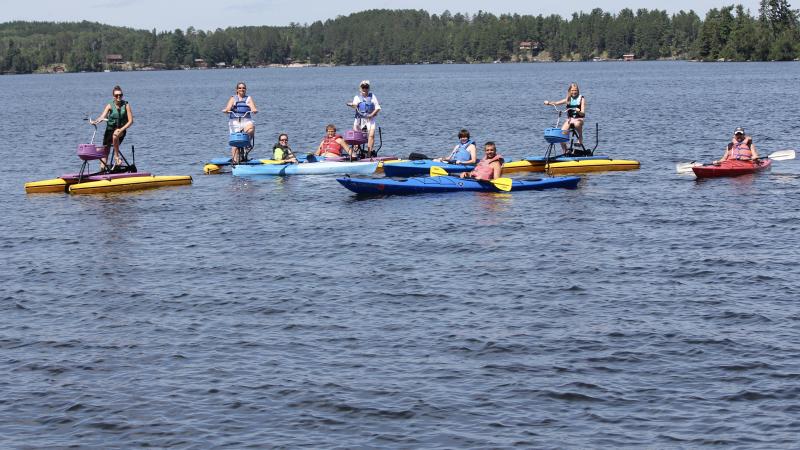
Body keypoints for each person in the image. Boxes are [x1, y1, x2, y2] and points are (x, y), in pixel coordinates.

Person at [91, 85, 133, 170]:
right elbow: (102, 117)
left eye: (120, 95)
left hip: (121, 130)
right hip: (109, 130)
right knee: (105, 151)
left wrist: (121, 129)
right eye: (116, 95)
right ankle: (102, 170)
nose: (119, 97)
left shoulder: (126, 105)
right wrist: (95, 121)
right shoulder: (110, 105)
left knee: (115, 135)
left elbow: (131, 121)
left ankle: (116, 157)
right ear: (113, 96)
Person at [544, 82, 586, 154]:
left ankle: (580, 138)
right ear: (569, 91)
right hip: (570, 120)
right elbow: (557, 103)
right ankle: (565, 150)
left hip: (579, 119)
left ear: (578, 91)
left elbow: (583, 113)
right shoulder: (568, 99)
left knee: (576, 124)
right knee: (561, 134)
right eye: (572, 90)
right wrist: (548, 103)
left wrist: (579, 111)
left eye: (575, 90)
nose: (574, 92)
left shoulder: (581, 99)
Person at [222, 82, 258, 164]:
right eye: (240, 88)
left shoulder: (248, 98)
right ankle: (235, 161)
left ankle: (246, 143)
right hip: (235, 121)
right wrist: (226, 110)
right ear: (237, 90)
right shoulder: (233, 98)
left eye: (243, 88)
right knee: (235, 142)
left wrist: (254, 110)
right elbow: (228, 107)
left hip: (246, 120)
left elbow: (253, 107)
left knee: (251, 129)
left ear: (245, 89)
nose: (242, 89)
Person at [346, 80, 381, 155]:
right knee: (357, 136)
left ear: (368, 88)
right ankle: (356, 151)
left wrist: (371, 115)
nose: (364, 89)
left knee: (371, 135)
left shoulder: (372, 96)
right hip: (359, 119)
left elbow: (378, 108)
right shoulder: (357, 97)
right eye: (363, 87)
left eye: (366, 87)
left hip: (370, 119)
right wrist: (350, 104)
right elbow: (355, 106)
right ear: (360, 88)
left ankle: (369, 153)